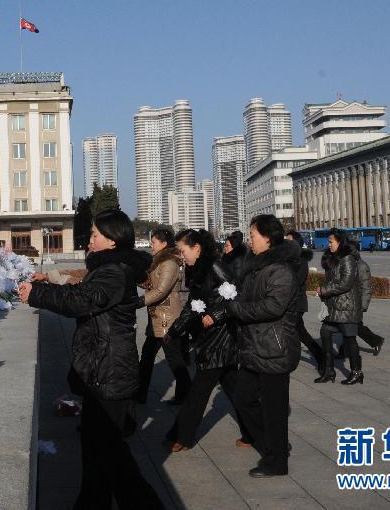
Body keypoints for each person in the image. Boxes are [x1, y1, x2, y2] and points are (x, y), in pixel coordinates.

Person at [18, 209, 163, 509]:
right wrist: (43, 287)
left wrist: (37, 295)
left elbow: (81, 301)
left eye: (95, 234)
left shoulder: (114, 272)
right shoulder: (110, 269)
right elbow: (82, 290)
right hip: (104, 369)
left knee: (113, 458)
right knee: (95, 453)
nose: (90, 240)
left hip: (109, 373)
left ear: (112, 240)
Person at [206, 214, 301, 478]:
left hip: (274, 349)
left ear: (268, 239)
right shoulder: (256, 267)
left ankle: (276, 460)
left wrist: (236, 308)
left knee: (275, 409)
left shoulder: (280, 270)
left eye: (254, 235)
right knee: (242, 397)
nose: (250, 239)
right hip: (253, 347)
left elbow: (273, 306)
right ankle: (274, 445)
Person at [163, 229, 252, 452]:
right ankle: (255, 432)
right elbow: (192, 306)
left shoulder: (215, 266)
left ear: (197, 248)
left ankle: (181, 436)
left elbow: (237, 295)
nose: (181, 256)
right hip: (210, 337)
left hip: (221, 339)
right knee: (237, 392)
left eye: (183, 251)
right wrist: (175, 330)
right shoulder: (196, 270)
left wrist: (216, 315)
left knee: (198, 392)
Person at [136, 228, 189, 405]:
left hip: (167, 317)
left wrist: (139, 301)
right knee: (147, 357)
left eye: (154, 242)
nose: (151, 245)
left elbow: (161, 290)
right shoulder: (159, 261)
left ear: (164, 243)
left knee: (174, 359)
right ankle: (140, 394)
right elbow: (152, 284)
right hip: (157, 317)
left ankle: (186, 392)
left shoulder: (169, 263)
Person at [316, 229, 364, 385]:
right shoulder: (333, 259)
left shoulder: (347, 259)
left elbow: (345, 283)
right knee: (325, 332)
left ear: (340, 242)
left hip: (347, 306)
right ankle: (329, 371)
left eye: (331, 242)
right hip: (335, 306)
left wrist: (325, 290)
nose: (328, 244)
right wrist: (323, 289)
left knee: (350, 339)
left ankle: (356, 372)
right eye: (328, 241)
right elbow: (331, 280)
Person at [285, 230, 323, 373]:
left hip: (297, 303)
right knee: (300, 333)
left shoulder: (300, 261)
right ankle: (321, 356)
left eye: (288, 240)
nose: (286, 243)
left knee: (292, 332)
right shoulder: (291, 259)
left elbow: (295, 281)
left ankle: (290, 360)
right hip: (291, 303)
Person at [335, 249, 384, 358]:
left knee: (354, 326)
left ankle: (376, 341)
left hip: (357, 303)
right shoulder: (348, 264)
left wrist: (363, 306)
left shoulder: (361, 266)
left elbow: (366, 288)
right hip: (349, 302)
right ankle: (345, 350)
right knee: (348, 326)